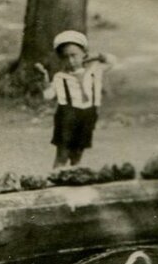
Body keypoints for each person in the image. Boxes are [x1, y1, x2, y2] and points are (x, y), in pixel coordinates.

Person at [35, 30, 117, 169]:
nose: (70, 61)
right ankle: (56, 180)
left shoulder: (94, 71)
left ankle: (74, 180)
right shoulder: (60, 77)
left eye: (74, 55)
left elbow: (112, 61)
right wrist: (45, 80)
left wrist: (95, 56)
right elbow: (48, 95)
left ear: (84, 54)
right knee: (62, 153)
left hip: (87, 116)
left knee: (77, 154)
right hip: (67, 117)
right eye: (65, 57)